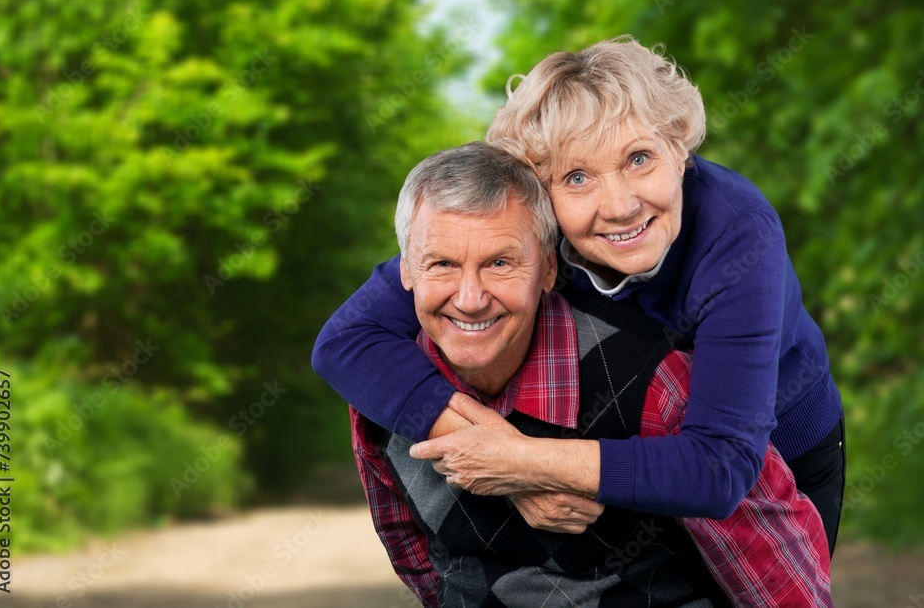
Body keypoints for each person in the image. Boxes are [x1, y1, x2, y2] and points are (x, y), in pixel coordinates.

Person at [313, 36, 846, 554]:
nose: (619, 206)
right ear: (541, 189)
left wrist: (524, 463)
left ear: (679, 147)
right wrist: (497, 449)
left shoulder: (738, 233)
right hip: (619, 450)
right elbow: (345, 342)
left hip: (778, 454)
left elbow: (719, 469)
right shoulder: (526, 223)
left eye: (638, 159)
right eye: (576, 178)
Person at [346, 141, 832, 607]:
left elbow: (774, 574)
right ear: (405, 271)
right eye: (442, 264)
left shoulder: (657, 381)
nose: (470, 299)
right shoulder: (383, 386)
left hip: (782, 427)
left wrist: (524, 462)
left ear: (549, 268)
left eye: (500, 263)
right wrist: (508, 464)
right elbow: (421, 562)